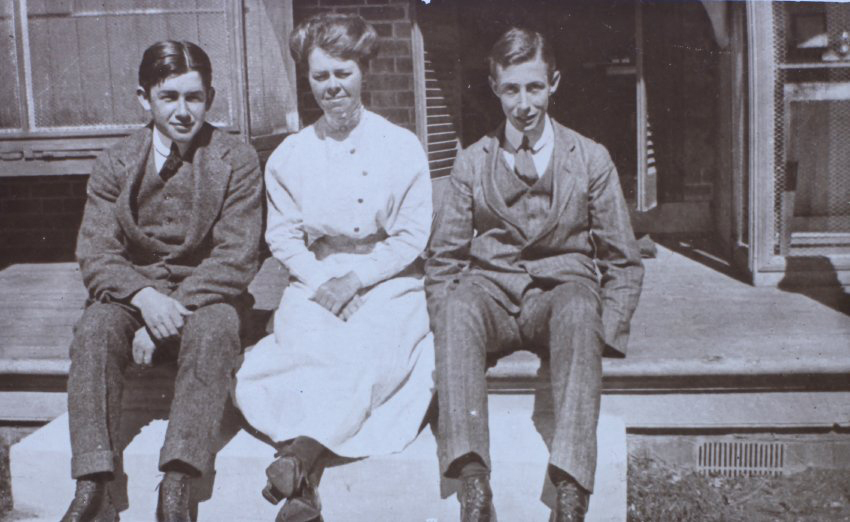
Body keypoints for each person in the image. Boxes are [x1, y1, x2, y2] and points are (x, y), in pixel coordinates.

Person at [424, 27, 644, 522]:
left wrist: (601, 335)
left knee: (580, 305)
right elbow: (443, 258)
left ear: (554, 83)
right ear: (494, 87)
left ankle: (570, 490)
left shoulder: (589, 159)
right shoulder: (471, 162)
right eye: (511, 89)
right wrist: (445, 323)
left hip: (558, 296)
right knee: (458, 305)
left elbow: (623, 259)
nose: (523, 103)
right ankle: (473, 485)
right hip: (492, 297)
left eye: (534, 87)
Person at [233, 13, 435, 522]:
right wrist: (325, 280)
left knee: (369, 350)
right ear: (308, 80)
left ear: (363, 71)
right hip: (317, 275)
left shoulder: (401, 145)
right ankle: (303, 483)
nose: (332, 87)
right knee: (305, 348)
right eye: (320, 76)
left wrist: (358, 279)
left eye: (342, 73)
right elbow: (282, 235)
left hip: (387, 276)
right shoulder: (291, 154)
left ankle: (297, 460)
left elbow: (411, 235)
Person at [60, 41, 263, 522]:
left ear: (209, 97)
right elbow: (96, 252)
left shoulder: (236, 158)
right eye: (169, 97)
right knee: (94, 330)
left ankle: (178, 482)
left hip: (206, 295)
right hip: (136, 292)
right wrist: (145, 299)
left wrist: (165, 317)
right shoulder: (115, 161)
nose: (183, 111)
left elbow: (237, 256)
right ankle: (93, 484)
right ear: (143, 98)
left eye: (194, 97)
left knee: (215, 330)